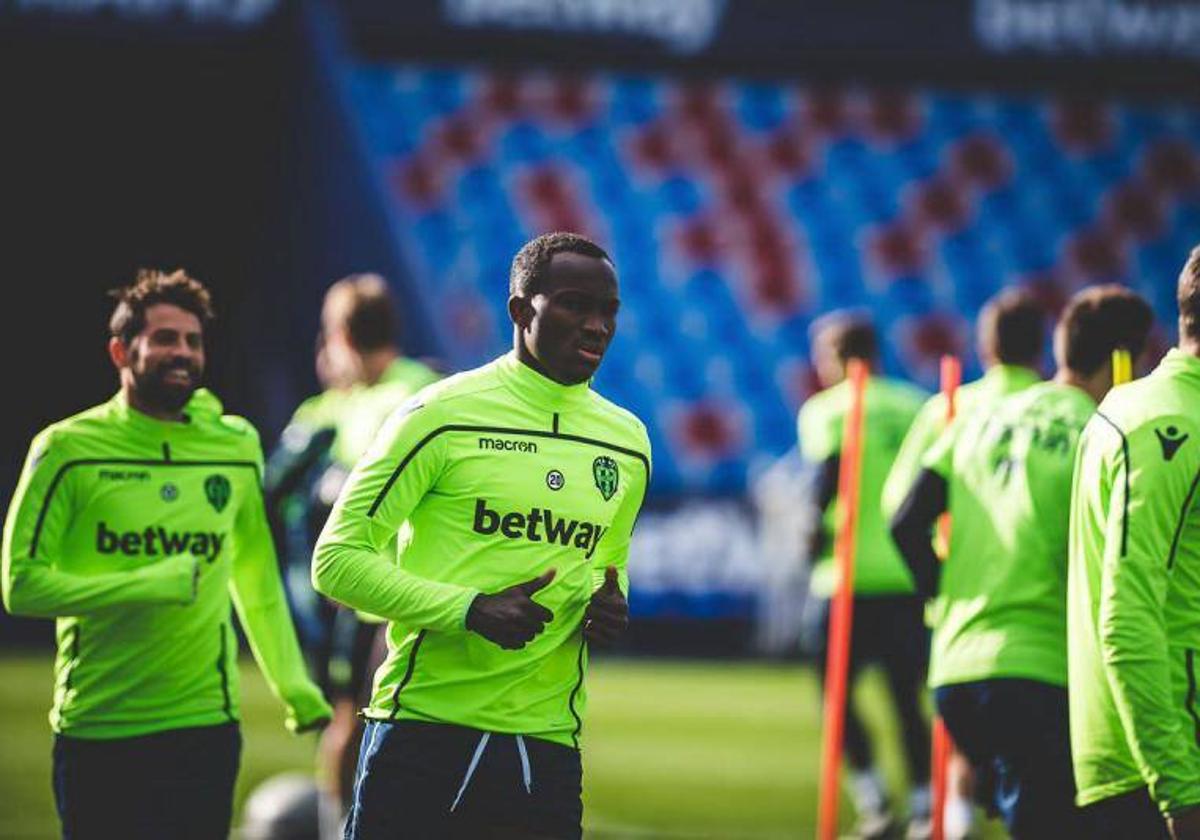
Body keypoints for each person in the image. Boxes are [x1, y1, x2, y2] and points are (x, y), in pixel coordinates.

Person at [312, 231, 651, 839]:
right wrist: (468, 609)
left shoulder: (627, 442)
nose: (597, 325)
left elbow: (608, 566)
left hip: (545, 746)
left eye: (608, 311)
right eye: (576, 304)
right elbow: (336, 561)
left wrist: (611, 606)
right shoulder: (439, 415)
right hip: (422, 730)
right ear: (521, 310)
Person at [1, 269, 331, 839]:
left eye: (193, 340)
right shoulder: (66, 450)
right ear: (120, 351)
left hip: (204, 725)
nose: (182, 352)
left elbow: (253, 574)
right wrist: (150, 582)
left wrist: (292, 684)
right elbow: (20, 585)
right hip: (98, 725)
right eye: (165, 339)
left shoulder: (234, 445)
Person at [891, 285, 1153, 837]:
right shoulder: (1102, 432)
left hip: (956, 670)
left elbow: (907, 519)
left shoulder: (975, 416)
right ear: (1122, 362)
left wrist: (942, 597)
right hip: (1041, 669)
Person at [265, 273, 442, 826]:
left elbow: (279, 488)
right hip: (406, 591)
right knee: (384, 725)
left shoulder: (375, 403)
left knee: (358, 725)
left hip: (377, 596)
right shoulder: (423, 387)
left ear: (340, 334)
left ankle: (345, 827)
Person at [881, 286, 1047, 839]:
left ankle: (956, 825)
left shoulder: (952, 409)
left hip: (961, 615)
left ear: (985, 346)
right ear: (1041, 348)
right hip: (1044, 622)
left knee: (962, 749)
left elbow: (896, 508)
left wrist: (938, 581)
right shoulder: (1063, 409)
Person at [1068, 250, 1200, 839]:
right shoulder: (1170, 423)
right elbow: (1126, 619)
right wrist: (1182, 791)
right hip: (1163, 770)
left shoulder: (1134, 408)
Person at [796, 312, 930, 839]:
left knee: (834, 694)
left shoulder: (828, 409)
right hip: (903, 577)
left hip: (844, 580)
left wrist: (811, 539)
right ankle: (924, 803)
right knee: (906, 697)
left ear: (836, 356)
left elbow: (825, 483)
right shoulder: (916, 405)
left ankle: (874, 798)